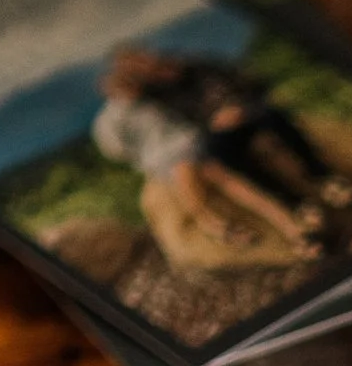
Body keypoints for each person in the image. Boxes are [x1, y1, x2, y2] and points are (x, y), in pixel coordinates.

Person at [90, 48, 319, 273]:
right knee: (192, 173)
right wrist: (150, 159)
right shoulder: (111, 120)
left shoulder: (154, 97)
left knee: (227, 180)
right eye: (124, 81)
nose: (130, 84)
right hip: (169, 159)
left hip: (192, 147)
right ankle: (216, 225)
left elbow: (189, 115)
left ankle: (289, 228)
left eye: (131, 79)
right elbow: (117, 150)